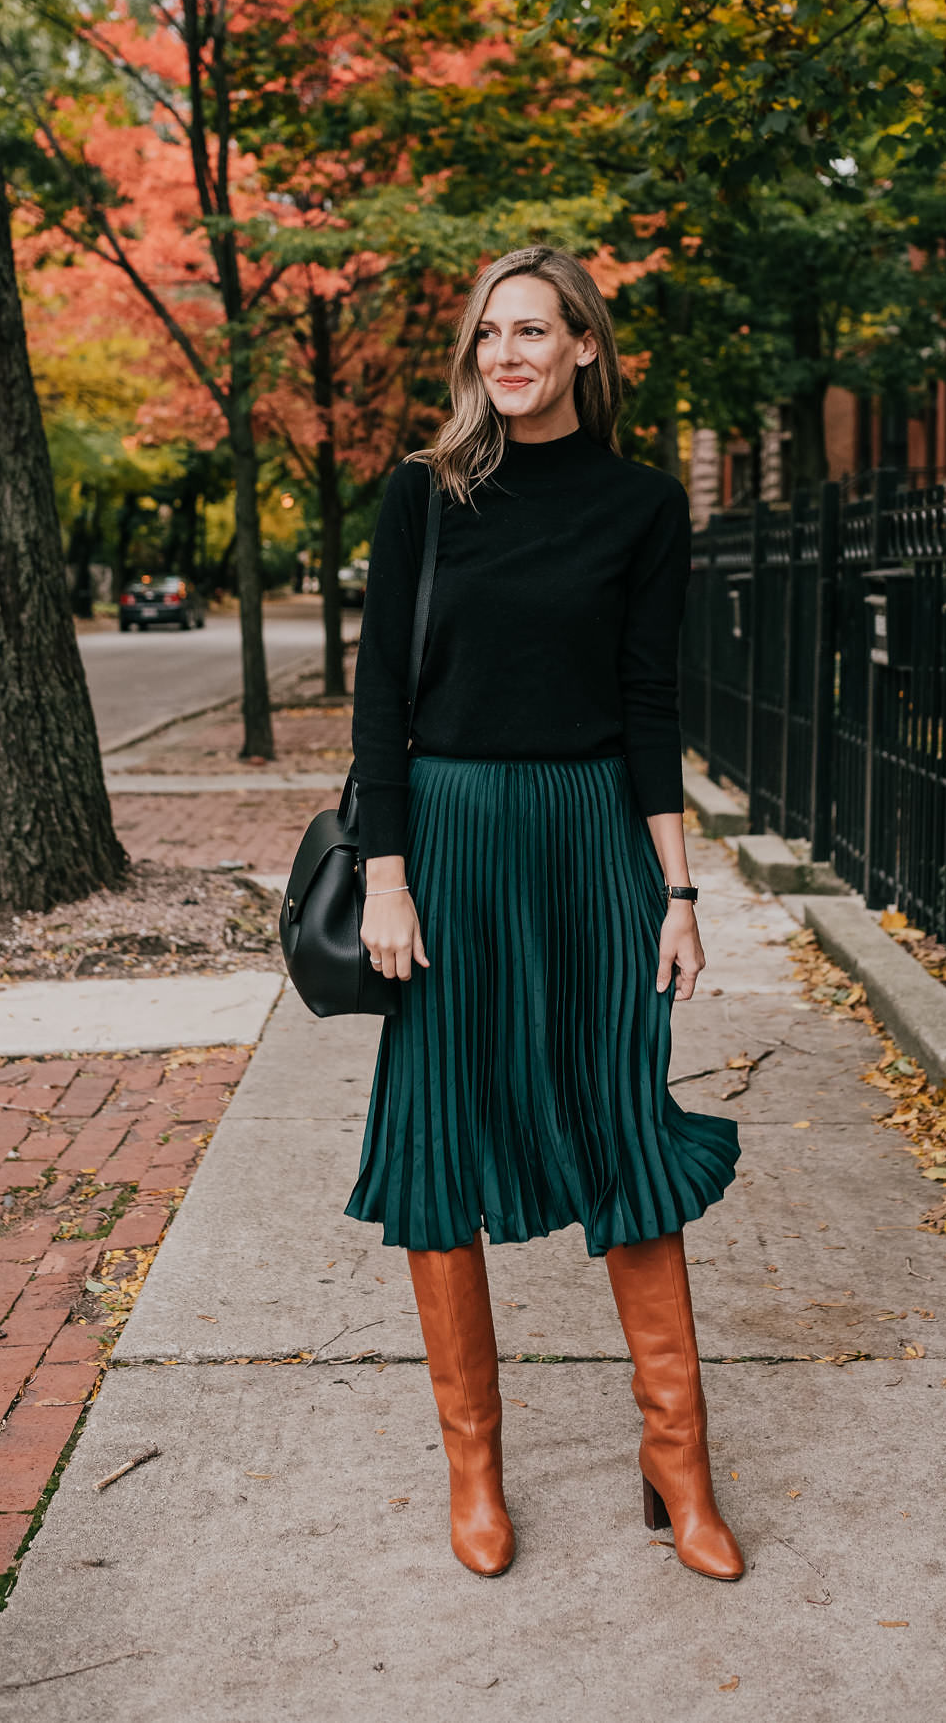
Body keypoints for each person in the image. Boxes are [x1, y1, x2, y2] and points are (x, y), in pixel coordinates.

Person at [348, 244, 743, 1583]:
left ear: (585, 346)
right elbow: (377, 706)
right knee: (441, 1128)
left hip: (588, 846)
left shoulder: (640, 507)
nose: (504, 353)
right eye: (487, 335)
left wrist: (678, 890)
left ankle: (678, 1463)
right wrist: (387, 874)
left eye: (533, 331)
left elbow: (647, 704)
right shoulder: (424, 496)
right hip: (451, 844)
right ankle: (475, 1471)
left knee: (623, 1129)